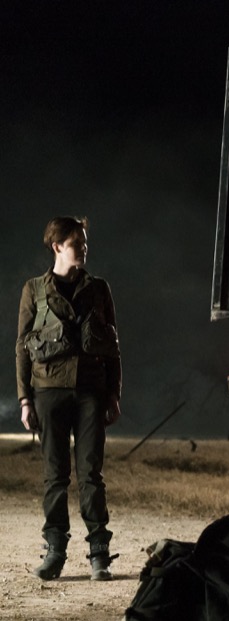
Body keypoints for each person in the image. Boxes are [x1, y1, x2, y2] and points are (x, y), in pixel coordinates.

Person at [15, 216, 123, 581]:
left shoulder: (99, 288)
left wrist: (113, 394)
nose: (84, 247)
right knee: (55, 477)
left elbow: (113, 348)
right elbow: (23, 348)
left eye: (85, 241)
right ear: (57, 245)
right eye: (77, 241)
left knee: (91, 474)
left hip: (91, 392)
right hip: (48, 392)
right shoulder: (34, 289)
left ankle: (99, 554)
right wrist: (25, 400)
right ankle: (55, 550)